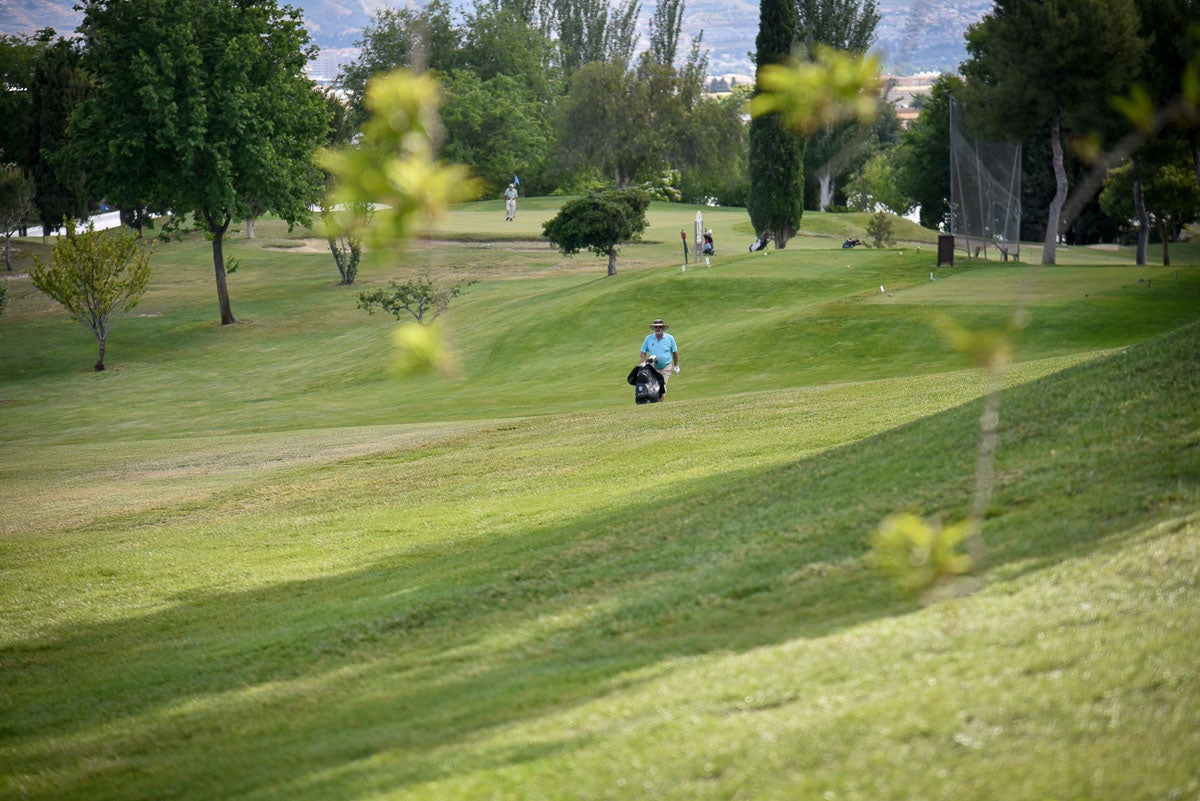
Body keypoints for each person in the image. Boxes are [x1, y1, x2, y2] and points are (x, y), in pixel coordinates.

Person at [640, 318, 679, 386]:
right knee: (652, 388)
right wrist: (644, 362)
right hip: (652, 367)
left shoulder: (670, 338)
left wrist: (676, 366)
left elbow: (674, 353)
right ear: (654, 328)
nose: (658, 328)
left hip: (666, 367)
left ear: (663, 328)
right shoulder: (648, 338)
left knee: (662, 388)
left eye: (660, 327)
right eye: (656, 327)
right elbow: (643, 351)